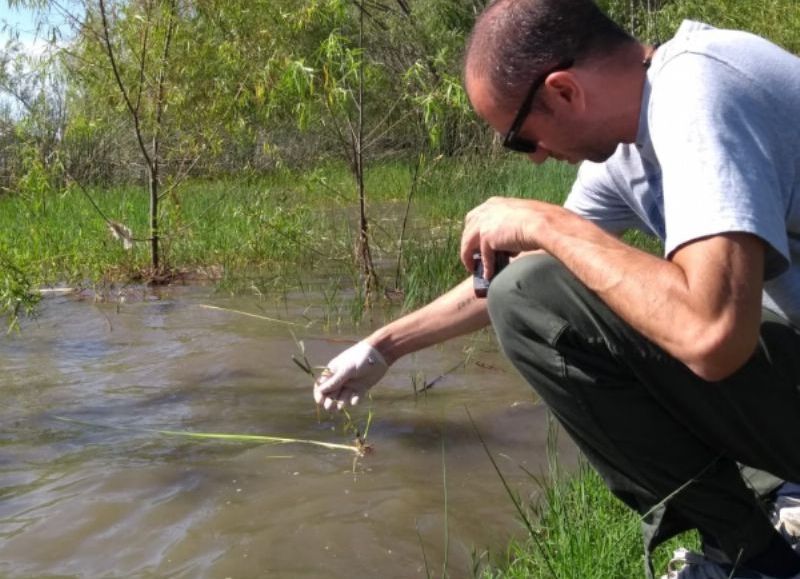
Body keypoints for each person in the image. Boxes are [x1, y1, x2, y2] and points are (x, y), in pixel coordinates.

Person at [312, 0, 800, 577]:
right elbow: (510, 281)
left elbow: (714, 335)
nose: (537, 158)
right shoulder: (630, 148)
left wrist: (549, 222)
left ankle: (753, 558)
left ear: (564, 91)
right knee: (538, 288)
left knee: (537, 293)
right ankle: (771, 507)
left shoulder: (698, 90)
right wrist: (383, 347)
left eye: (520, 139)